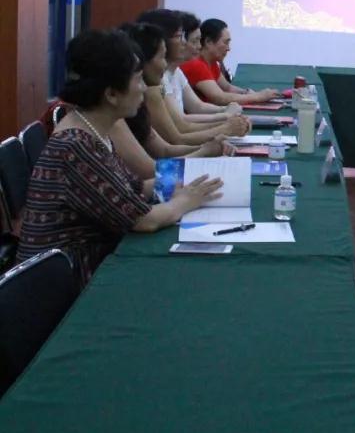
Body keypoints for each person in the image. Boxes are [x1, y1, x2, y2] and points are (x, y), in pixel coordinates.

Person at [16, 30, 223, 287]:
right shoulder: (76, 146)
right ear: (112, 94)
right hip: (69, 282)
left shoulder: (92, 130)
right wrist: (186, 201)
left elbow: (133, 187)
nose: (143, 88)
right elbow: (144, 220)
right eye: (137, 79)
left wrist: (183, 182)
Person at [123, 22, 249, 148]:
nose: (184, 43)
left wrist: (226, 120)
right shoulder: (155, 88)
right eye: (179, 37)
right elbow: (177, 136)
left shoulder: (170, 75)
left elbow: (196, 108)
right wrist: (225, 125)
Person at [180, 18, 278, 106]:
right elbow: (220, 98)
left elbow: (227, 88)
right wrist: (258, 97)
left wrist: (248, 92)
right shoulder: (196, 64)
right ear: (208, 42)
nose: (228, 48)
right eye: (225, 42)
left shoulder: (211, 62)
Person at [160, 10, 235, 123]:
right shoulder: (161, 77)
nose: (200, 46)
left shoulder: (177, 71)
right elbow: (181, 123)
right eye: (194, 41)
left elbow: (197, 106)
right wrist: (226, 115)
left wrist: (225, 110)